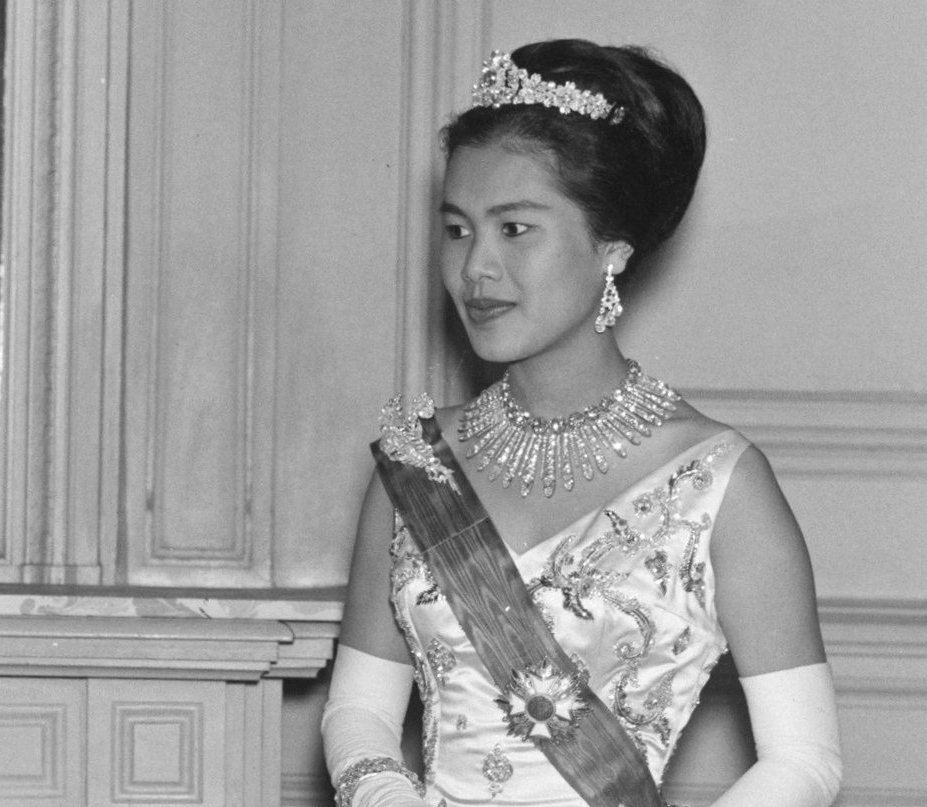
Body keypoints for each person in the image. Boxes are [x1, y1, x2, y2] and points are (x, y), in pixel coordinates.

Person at [323, 40, 842, 807]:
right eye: (458, 228)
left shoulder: (719, 482)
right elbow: (358, 711)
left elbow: (804, 758)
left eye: (516, 229)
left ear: (611, 245)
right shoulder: (417, 463)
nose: (476, 270)